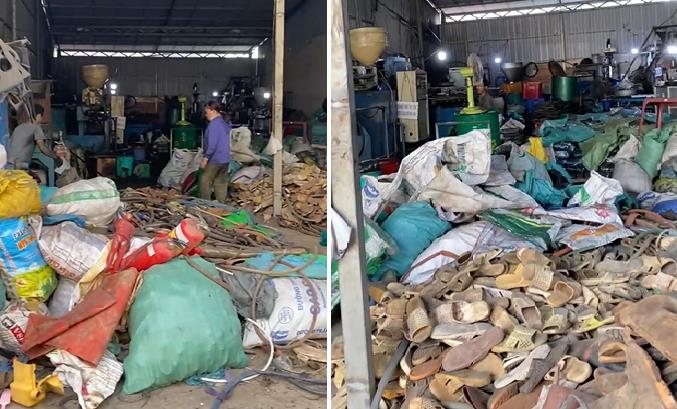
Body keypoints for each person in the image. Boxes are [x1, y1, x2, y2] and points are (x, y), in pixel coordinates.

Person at [6, 104, 57, 169]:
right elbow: (42, 148)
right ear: (38, 115)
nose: (41, 119)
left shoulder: (18, 127)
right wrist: (55, 155)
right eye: (41, 116)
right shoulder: (36, 127)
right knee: (42, 167)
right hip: (20, 165)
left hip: (8, 164)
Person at [199, 101, 232, 203]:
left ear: (213, 110)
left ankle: (205, 204)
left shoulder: (213, 125)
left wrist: (206, 158)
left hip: (215, 159)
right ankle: (221, 205)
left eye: (206, 112)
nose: (205, 115)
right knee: (220, 182)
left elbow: (212, 144)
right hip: (225, 159)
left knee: (204, 181)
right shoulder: (224, 123)